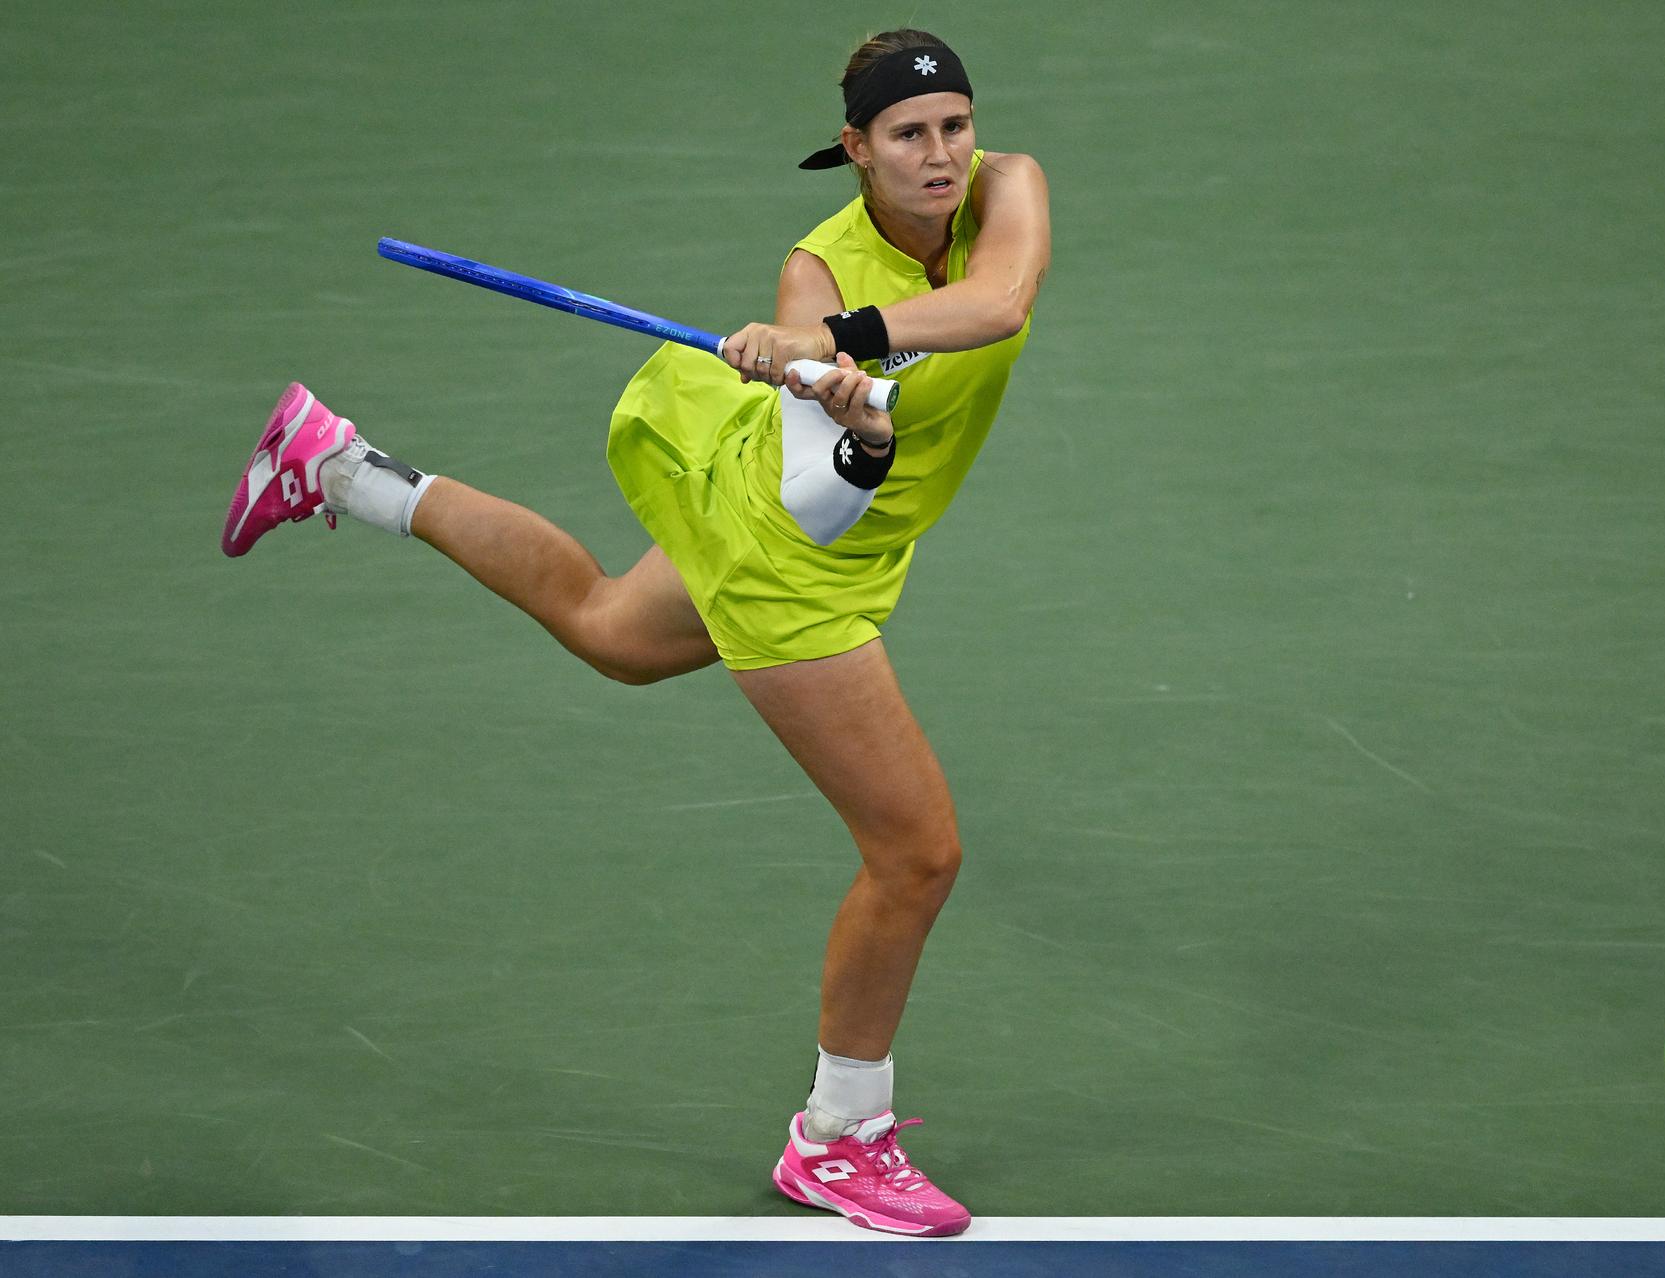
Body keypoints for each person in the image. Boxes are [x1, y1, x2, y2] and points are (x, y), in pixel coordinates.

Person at [220, 28, 1048, 1238]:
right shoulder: (811, 273)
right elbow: (823, 500)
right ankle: (837, 1137)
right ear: (857, 152)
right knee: (916, 854)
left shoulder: (1005, 190)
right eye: (910, 136)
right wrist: (855, 428)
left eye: (955, 127)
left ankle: (342, 470)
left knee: (612, 627)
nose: (942, 155)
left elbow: (999, 300)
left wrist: (839, 354)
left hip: (812, 531)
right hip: (793, 559)